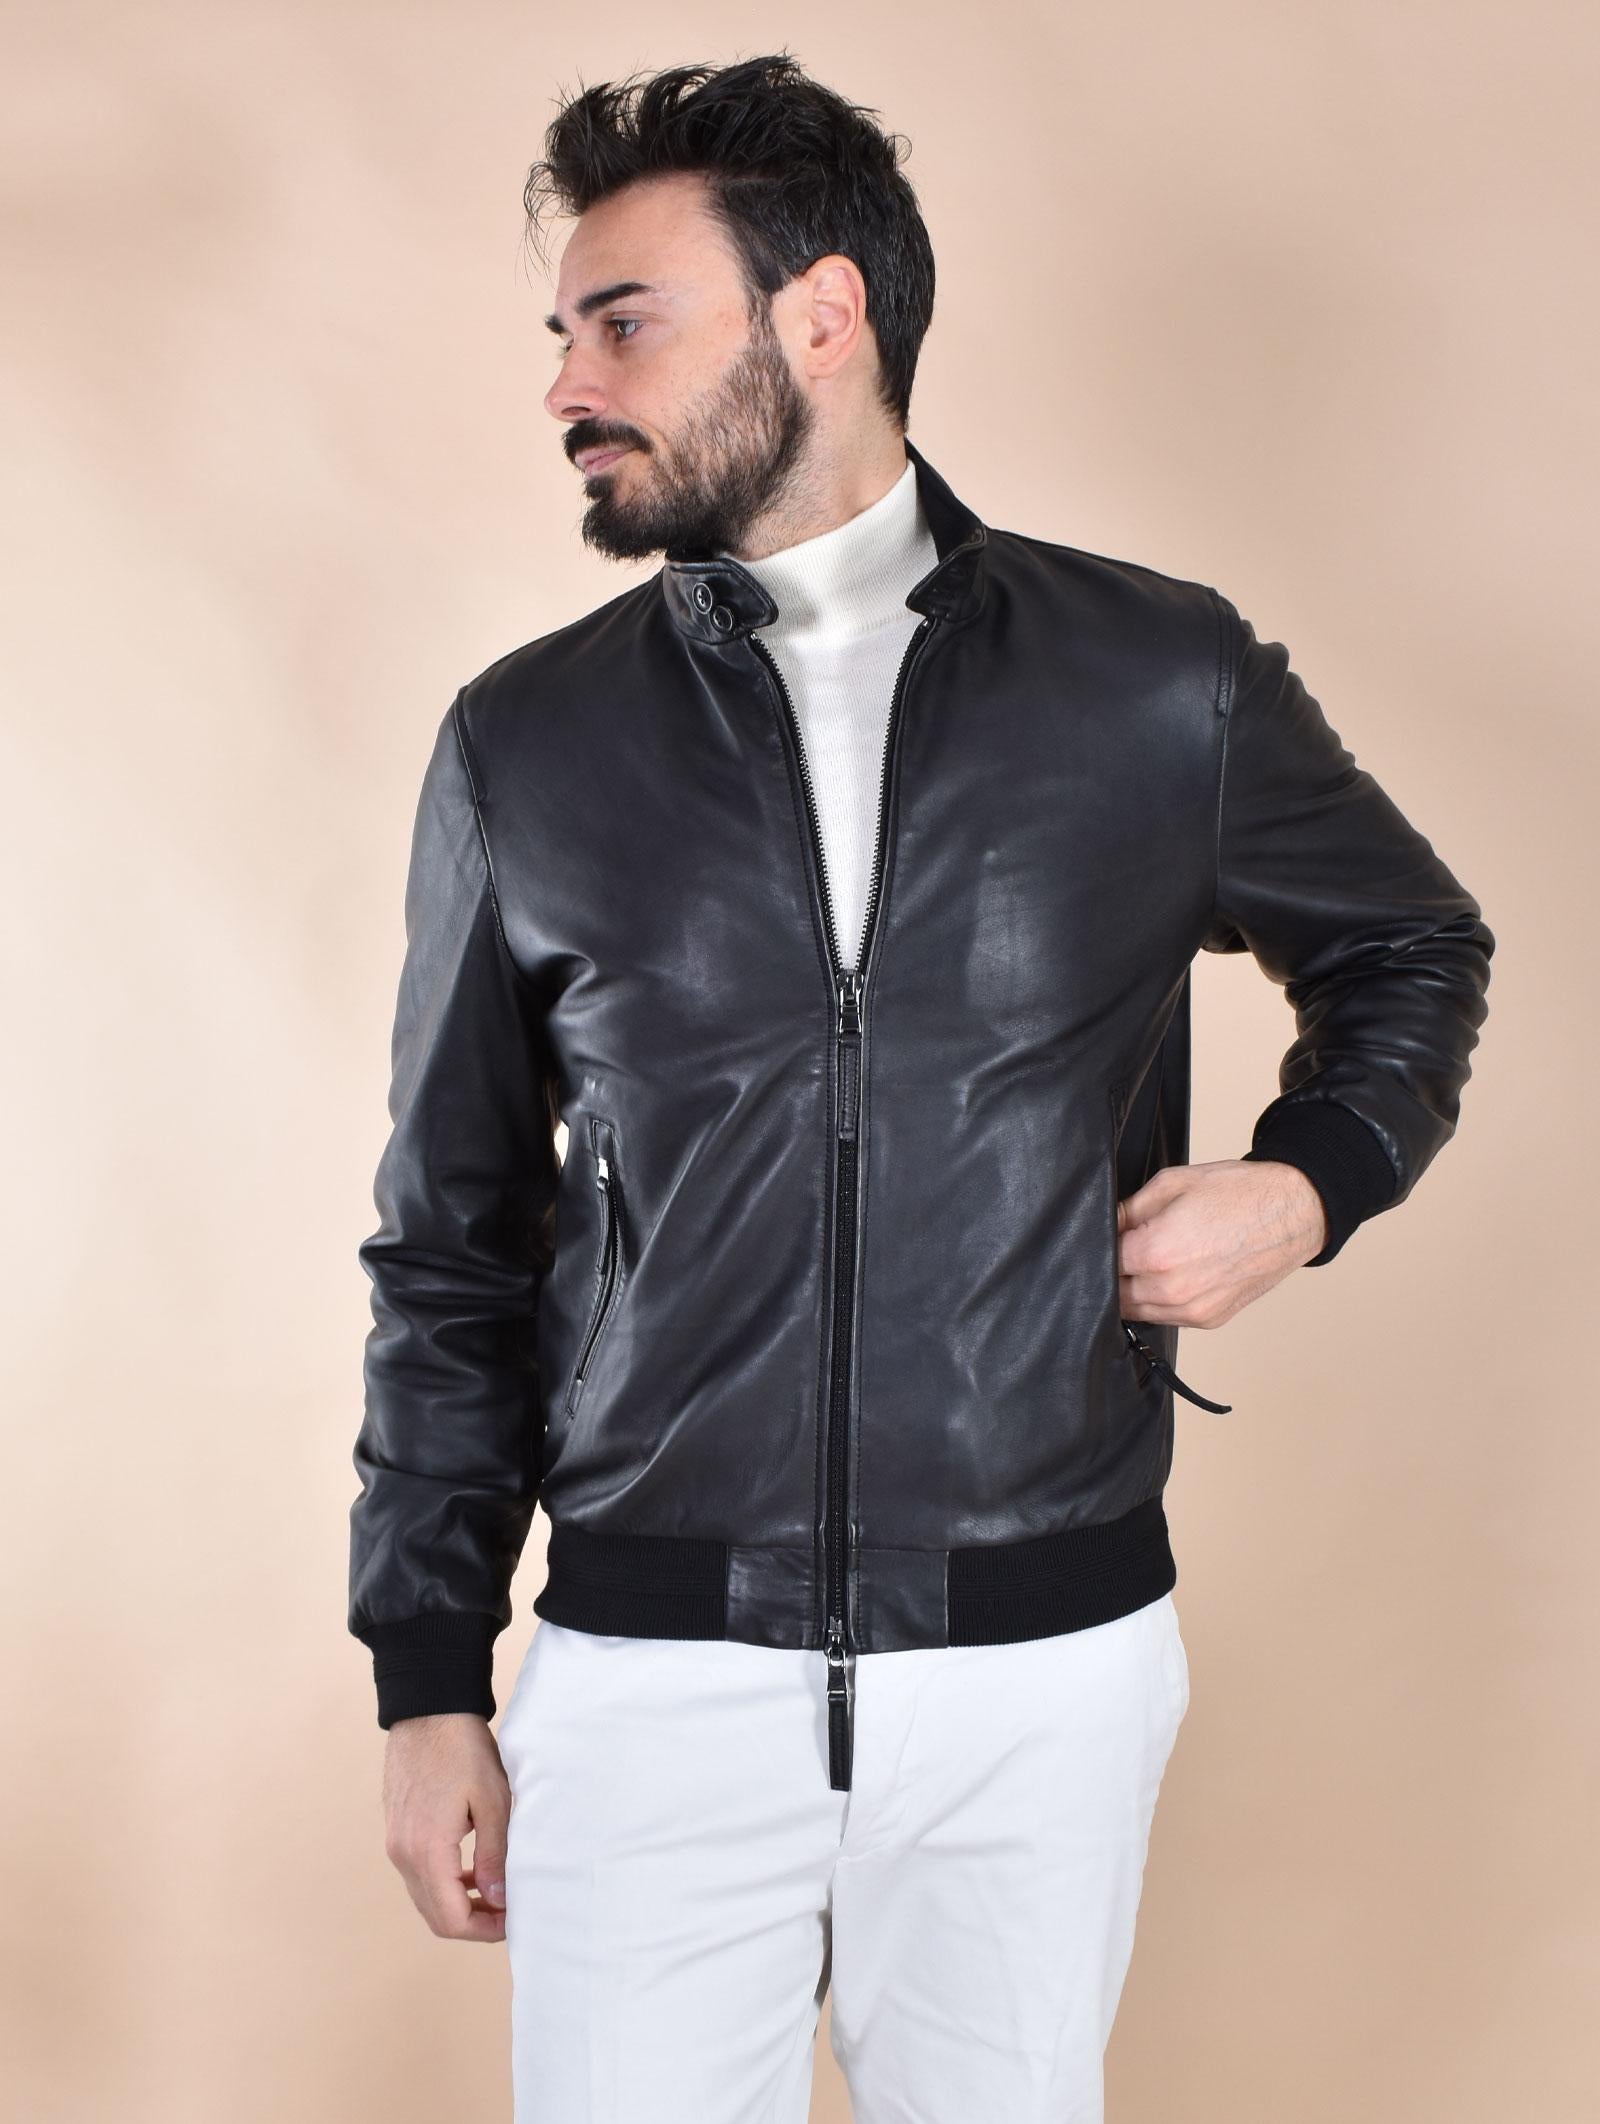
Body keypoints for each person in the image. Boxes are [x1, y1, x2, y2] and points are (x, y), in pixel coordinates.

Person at [347, 52, 1494, 2124]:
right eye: (563, 333)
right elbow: (451, 1236)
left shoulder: (1154, 679)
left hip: (1038, 1671)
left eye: (623, 323)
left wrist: (1306, 1181)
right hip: (648, 1680)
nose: (567, 386)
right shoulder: (529, 743)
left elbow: (1411, 946)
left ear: (821, 316)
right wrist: (428, 1681)